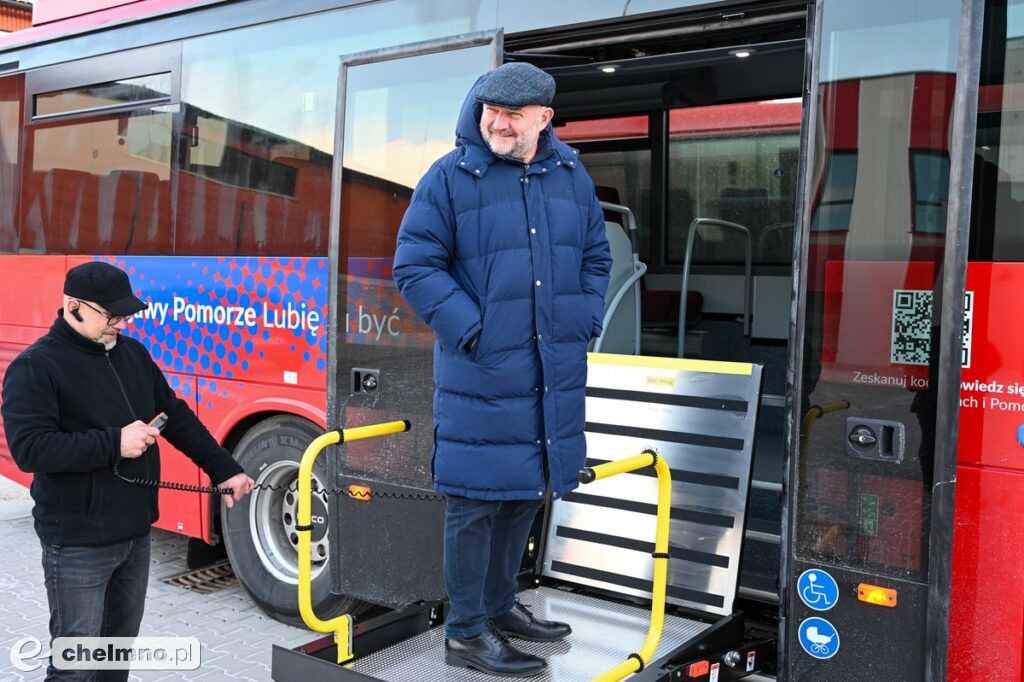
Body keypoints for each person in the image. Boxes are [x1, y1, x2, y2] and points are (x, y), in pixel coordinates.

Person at [394, 62, 611, 677]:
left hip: (551, 368)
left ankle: (497, 606)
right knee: (474, 504)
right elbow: (414, 266)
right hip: (482, 373)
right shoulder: (449, 176)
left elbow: (596, 256)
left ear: (544, 118)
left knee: (523, 494)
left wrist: (582, 318)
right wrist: (475, 330)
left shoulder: (570, 174)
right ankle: (465, 633)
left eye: (513, 114)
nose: (498, 123)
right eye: (490, 110)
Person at [1, 260, 255, 681]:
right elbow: (30, 449)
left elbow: (175, 415)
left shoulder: (132, 353)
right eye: (111, 315)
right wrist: (113, 443)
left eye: (125, 315)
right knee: (75, 668)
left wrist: (224, 469)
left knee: (115, 660)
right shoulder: (35, 367)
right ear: (74, 306)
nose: (120, 324)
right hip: (78, 542)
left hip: (134, 535)